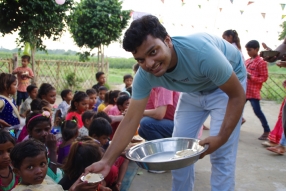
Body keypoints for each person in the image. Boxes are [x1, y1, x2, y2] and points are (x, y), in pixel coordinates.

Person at [85, 15, 246, 191]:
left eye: (153, 52)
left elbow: (237, 96)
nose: (149, 64)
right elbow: (131, 119)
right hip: (193, 91)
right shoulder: (144, 75)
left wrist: (222, 137)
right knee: (178, 154)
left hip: (226, 87)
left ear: (167, 41)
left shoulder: (201, 53)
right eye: (140, 59)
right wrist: (106, 161)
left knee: (221, 155)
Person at [89, 118, 128, 191]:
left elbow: (111, 148)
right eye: (104, 138)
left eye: (107, 138)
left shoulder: (103, 142)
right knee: (113, 170)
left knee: (124, 157)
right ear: (94, 136)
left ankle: (118, 182)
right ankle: (112, 184)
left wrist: (122, 153)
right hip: (96, 173)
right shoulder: (92, 148)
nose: (106, 140)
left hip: (104, 165)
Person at [245, 40, 270, 140]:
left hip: (253, 91)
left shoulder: (261, 62)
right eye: (247, 50)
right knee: (236, 109)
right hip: (244, 90)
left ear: (256, 49)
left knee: (257, 111)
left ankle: (267, 130)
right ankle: (234, 127)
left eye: (250, 50)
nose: (248, 52)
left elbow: (264, 78)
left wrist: (251, 77)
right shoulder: (247, 61)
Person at [25, 110, 60, 182]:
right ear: (29, 131)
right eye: (38, 131)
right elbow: (51, 176)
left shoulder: (42, 143)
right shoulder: (30, 149)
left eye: (47, 129)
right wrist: (53, 150)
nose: (44, 133)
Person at [222, 29, 246, 124]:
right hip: (239, 77)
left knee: (231, 101)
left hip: (234, 77)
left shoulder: (230, 48)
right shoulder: (237, 48)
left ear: (230, 37)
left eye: (224, 38)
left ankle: (237, 120)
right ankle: (239, 118)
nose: (223, 40)